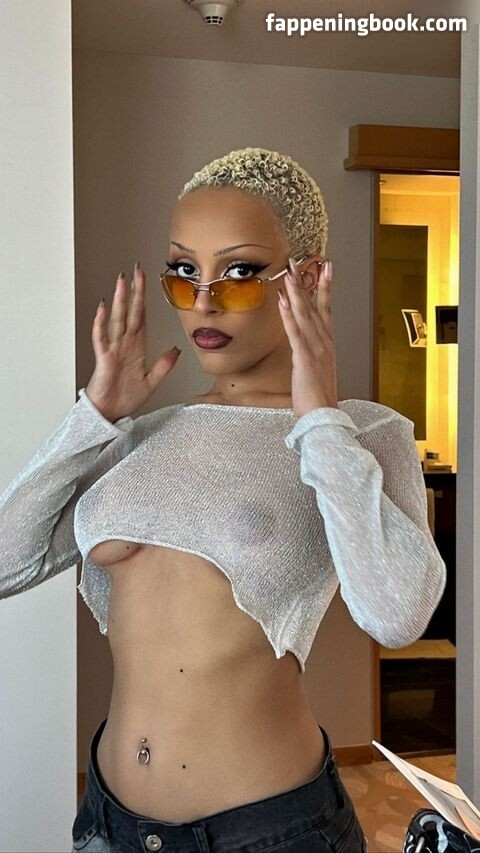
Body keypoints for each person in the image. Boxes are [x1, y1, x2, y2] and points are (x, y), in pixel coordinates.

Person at [0, 147, 446, 853]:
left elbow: (397, 614)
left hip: (268, 834)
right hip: (109, 828)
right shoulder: (136, 436)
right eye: (184, 272)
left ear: (306, 278)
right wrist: (94, 415)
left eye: (238, 272)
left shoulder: (358, 434)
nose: (204, 302)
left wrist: (319, 419)